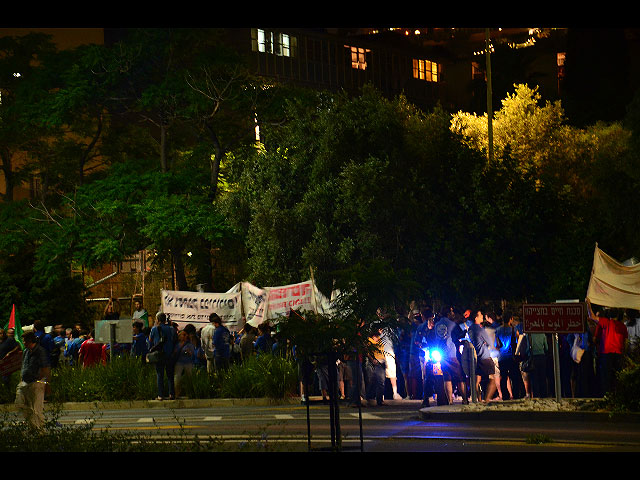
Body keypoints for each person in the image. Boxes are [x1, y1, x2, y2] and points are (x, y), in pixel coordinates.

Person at [589, 300, 628, 396]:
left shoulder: (605, 322)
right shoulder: (622, 326)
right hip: (618, 354)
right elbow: (625, 342)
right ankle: (616, 397)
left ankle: (605, 397)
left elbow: (592, 317)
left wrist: (588, 304)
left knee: (605, 378)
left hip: (605, 353)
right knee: (616, 377)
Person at [15, 331, 50, 429]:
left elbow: (45, 368)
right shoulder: (26, 351)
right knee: (19, 403)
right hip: (25, 382)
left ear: (30, 340)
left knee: (37, 409)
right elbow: (24, 365)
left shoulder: (40, 351)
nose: (23, 342)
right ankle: (33, 426)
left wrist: (47, 385)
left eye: (24, 340)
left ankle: (39, 430)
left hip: (36, 383)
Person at [434, 307, 468, 405]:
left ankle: (450, 401)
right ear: (448, 314)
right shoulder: (453, 324)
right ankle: (465, 399)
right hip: (452, 353)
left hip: (442, 353)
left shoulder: (437, 325)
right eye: (451, 312)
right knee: (460, 376)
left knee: (446, 377)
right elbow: (460, 335)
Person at [468, 309, 498, 402]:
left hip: (478, 356)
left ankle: (479, 399)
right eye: (480, 315)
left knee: (477, 380)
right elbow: (490, 342)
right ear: (476, 317)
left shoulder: (470, 329)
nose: (482, 316)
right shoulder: (480, 329)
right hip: (485, 356)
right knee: (493, 378)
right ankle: (487, 398)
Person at [495, 313, 526, 400]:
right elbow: (517, 342)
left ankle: (505, 395)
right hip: (511, 357)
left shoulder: (497, 330)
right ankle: (516, 394)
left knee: (503, 377)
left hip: (502, 357)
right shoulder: (513, 329)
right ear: (511, 319)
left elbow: (496, 345)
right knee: (514, 377)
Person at [149, 313, 177, 400]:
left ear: (158, 320)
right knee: (170, 375)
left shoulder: (154, 329)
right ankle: (171, 394)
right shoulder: (171, 329)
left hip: (159, 354)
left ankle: (160, 395)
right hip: (169, 354)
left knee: (160, 375)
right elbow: (174, 339)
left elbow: (150, 340)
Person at [365, 326, 387, 406]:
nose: (381, 330)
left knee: (380, 382)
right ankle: (370, 398)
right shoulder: (369, 340)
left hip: (381, 362)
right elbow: (367, 351)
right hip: (374, 363)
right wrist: (372, 359)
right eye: (380, 329)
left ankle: (379, 400)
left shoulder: (380, 339)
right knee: (373, 382)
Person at [173, 330, 195, 398]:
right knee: (177, 377)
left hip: (188, 362)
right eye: (184, 335)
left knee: (190, 378)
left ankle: (190, 392)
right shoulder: (176, 344)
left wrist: (188, 352)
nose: (186, 336)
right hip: (179, 362)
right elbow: (174, 353)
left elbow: (192, 353)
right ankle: (177, 392)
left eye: (186, 335)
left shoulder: (189, 344)